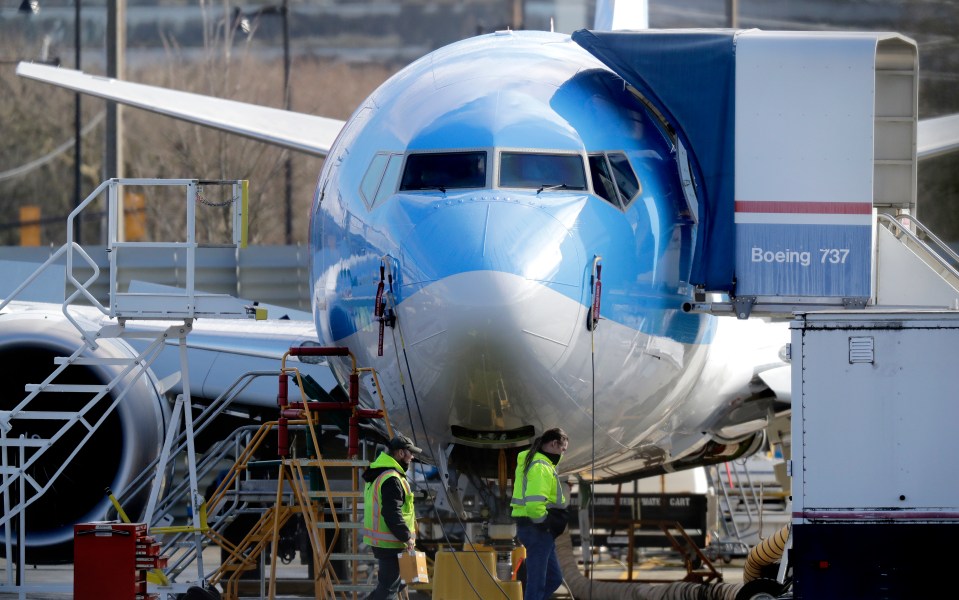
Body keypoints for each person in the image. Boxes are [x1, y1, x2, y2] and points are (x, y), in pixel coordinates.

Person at [510, 428, 570, 600]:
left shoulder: (537, 462)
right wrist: (545, 523)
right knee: (537, 584)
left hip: (536, 530)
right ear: (554, 444)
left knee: (554, 578)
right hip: (537, 529)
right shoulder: (541, 466)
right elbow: (535, 504)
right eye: (563, 449)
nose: (563, 454)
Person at [362, 434, 422, 600]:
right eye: (410, 453)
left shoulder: (381, 473)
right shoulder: (391, 479)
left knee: (397, 583)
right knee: (388, 590)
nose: (412, 457)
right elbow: (391, 513)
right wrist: (406, 536)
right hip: (390, 542)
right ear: (400, 453)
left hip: (387, 541)